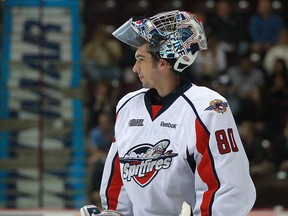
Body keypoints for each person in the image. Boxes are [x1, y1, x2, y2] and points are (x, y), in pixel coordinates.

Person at [81, 10, 256, 216]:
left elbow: (231, 188)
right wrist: (114, 213)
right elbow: (117, 180)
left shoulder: (208, 108)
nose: (135, 68)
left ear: (163, 62)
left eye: (141, 59)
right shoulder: (127, 106)